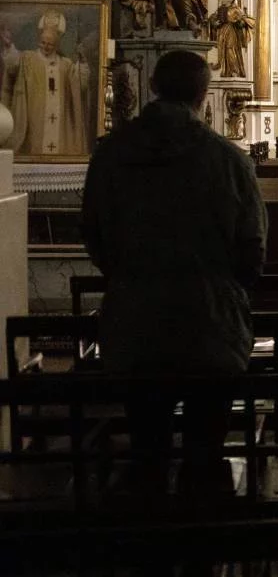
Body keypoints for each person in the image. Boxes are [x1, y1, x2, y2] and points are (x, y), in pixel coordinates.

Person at [82, 49, 266, 495]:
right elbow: (252, 248)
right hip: (211, 327)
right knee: (205, 453)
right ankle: (202, 551)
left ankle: (147, 549)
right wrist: (226, 289)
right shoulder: (227, 159)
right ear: (204, 95)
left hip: (135, 324)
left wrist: (130, 276)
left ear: (152, 87)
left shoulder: (111, 155)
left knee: (147, 449)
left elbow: (94, 237)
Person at [3, 10, 90, 156]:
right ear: (39, 41)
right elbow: (11, 65)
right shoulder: (28, 59)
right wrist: (8, 46)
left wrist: (82, 62)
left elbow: (81, 84)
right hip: (34, 122)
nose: (46, 46)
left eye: (50, 44)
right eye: (43, 42)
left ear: (56, 45)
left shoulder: (65, 65)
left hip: (60, 128)